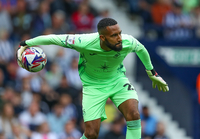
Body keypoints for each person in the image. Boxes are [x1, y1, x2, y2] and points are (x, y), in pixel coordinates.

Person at [17, 18, 169, 139]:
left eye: (120, 33)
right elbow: (54, 39)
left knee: (134, 114)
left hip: (117, 81)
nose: (119, 38)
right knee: (91, 134)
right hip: (93, 86)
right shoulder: (85, 42)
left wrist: (152, 73)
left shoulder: (127, 42)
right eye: (114, 35)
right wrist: (25, 44)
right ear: (102, 37)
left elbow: (141, 49)